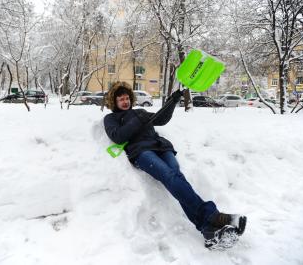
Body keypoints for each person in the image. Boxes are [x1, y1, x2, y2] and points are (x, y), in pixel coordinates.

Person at [103, 81, 247, 250]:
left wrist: (174, 100)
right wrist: (136, 122)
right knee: (171, 177)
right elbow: (118, 136)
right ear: (114, 101)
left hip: (161, 147)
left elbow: (161, 119)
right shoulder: (110, 119)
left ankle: (208, 231)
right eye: (121, 99)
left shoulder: (140, 112)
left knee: (177, 179)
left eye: (127, 98)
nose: (125, 101)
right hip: (141, 152)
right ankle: (213, 216)